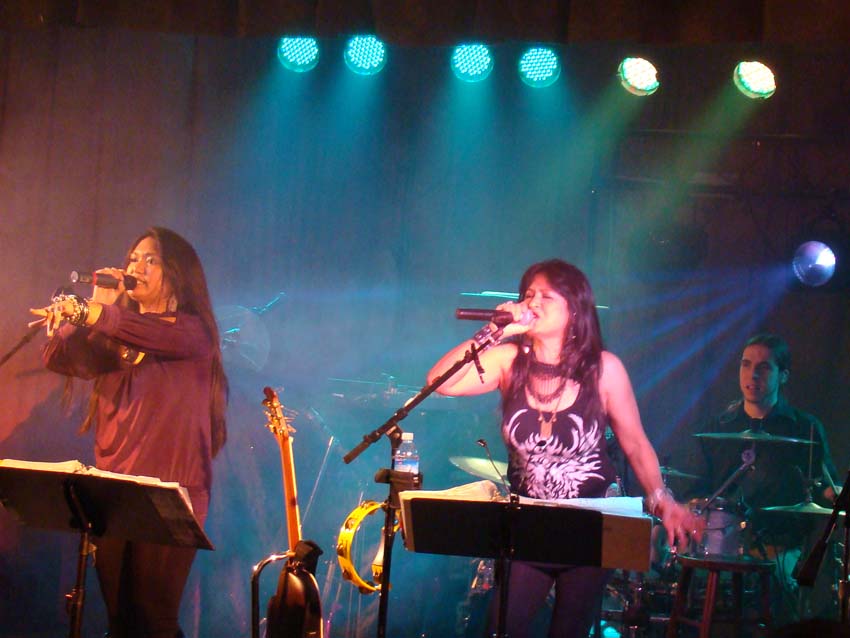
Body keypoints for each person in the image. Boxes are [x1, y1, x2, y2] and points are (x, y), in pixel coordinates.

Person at [426, 258, 702, 638]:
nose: (533, 303)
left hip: (590, 521)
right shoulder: (509, 360)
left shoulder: (603, 369)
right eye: (528, 295)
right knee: (502, 627)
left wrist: (661, 498)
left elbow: (636, 443)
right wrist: (494, 331)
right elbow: (442, 382)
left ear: (574, 309)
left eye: (547, 296)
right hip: (529, 521)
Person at [30, 227, 228, 638]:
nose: (136, 267)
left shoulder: (193, 333)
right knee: (120, 620)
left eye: (150, 259)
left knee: (153, 618)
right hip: (116, 489)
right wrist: (94, 307)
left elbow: (145, 331)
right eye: (133, 258)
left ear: (177, 273)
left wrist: (92, 312)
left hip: (170, 492)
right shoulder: (117, 332)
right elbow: (60, 358)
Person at [690, 333, 839, 620]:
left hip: (779, 546)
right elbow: (697, 488)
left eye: (764, 367)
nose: (753, 374)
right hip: (721, 544)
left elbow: (824, 487)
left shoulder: (805, 429)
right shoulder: (718, 427)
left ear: (783, 376)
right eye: (746, 365)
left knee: (779, 603)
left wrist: (835, 494)